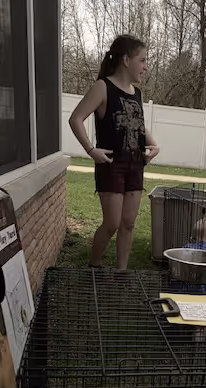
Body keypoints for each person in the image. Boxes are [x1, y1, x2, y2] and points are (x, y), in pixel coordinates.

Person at [69, 35, 159, 270]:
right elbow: (76, 118)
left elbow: (137, 122)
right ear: (126, 60)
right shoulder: (103, 87)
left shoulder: (136, 93)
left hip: (136, 163)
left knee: (128, 223)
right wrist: (91, 150)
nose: (145, 66)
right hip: (111, 163)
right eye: (142, 60)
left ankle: (121, 273)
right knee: (112, 223)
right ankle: (94, 265)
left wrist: (154, 145)